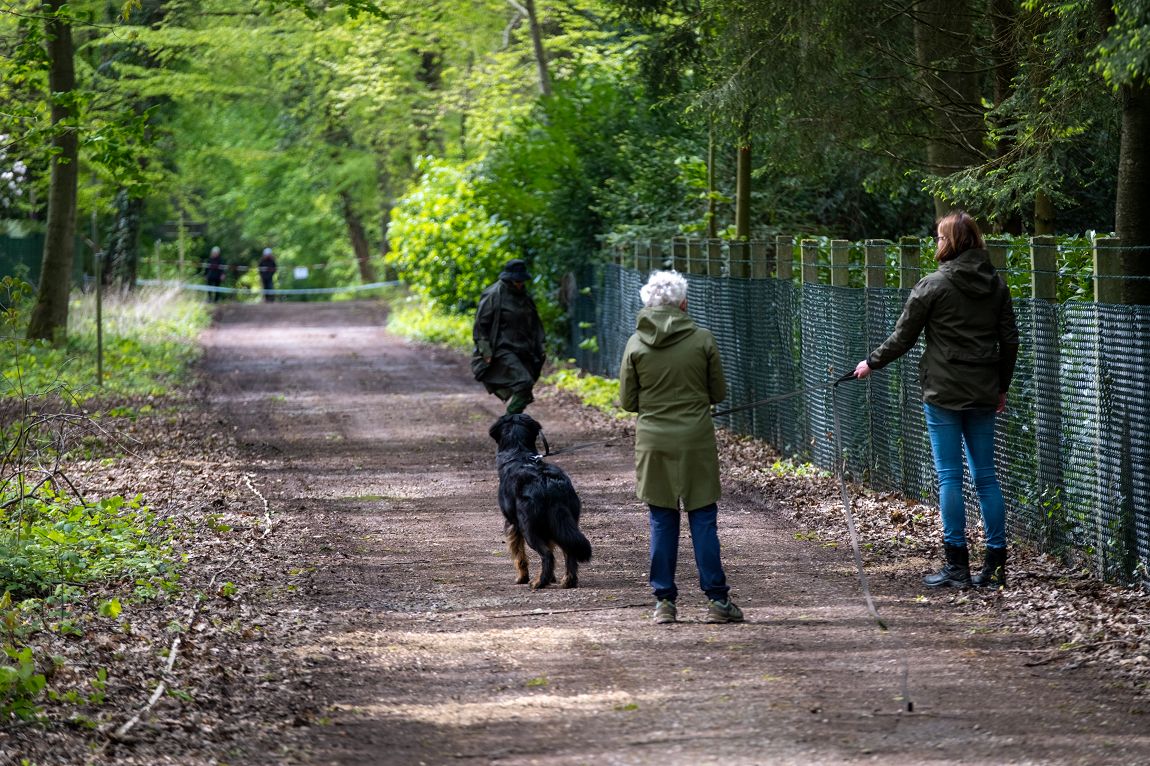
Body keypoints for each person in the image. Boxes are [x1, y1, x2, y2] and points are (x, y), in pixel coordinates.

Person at [853, 210, 1019, 589]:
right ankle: (995, 567)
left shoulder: (932, 285)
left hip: (943, 392)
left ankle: (957, 566)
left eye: (940, 237)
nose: (936, 243)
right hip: (982, 391)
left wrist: (870, 363)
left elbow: (903, 337)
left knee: (950, 477)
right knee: (986, 477)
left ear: (954, 243)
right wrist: (1001, 386)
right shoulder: (996, 285)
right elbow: (1010, 340)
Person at [618, 270, 743, 625]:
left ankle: (664, 602)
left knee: (661, 518)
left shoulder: (635, 344)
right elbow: (717, 392)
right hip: (695, 440)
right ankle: (718, 601)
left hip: (653, 442)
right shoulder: (702, 339)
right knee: (703, 518)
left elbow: (628, 401)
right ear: (683, 302)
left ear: (648, 302)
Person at [472, 259, 545, 414]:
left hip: (525, 349)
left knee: (525, 390)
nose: (520, 284)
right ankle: (507, 422)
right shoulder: (493, 295)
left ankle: (513, 427)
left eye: (522, 281)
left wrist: (541, 346)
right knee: (524, 382)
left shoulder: (525, 297)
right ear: (509, 278)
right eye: (517, 281)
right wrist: (485, 350)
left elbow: (535, 324)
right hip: (502, 349)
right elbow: (480, 325)